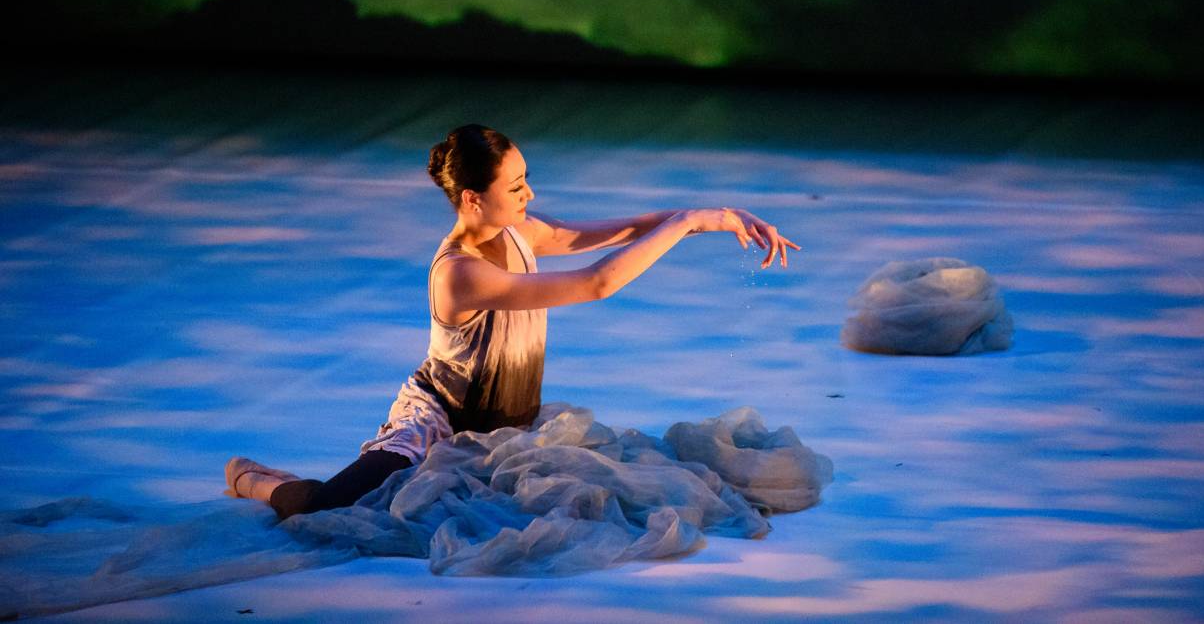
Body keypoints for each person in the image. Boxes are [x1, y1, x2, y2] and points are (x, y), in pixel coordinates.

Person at [224, 123, 800, 519]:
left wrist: (716, 218)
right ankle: (255, 480)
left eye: (527, 179)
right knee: (330, 511)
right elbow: (596, 283)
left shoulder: (520, 231)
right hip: (440, 426)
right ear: (473, 199)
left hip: (508, 425)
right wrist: (689, 221)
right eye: (516, 186)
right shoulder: (458, 273)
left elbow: (618, 231)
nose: (531, 194)